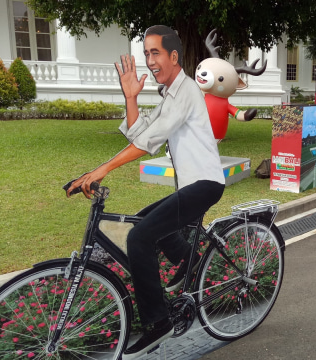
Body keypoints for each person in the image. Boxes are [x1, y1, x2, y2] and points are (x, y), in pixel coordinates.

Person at [66, 25, 225, 359]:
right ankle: (190, 260)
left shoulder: (186, 91)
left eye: (155, 53)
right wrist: (131, 98)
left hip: (205, 185)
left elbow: (147, 143)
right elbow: (140, 132)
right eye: (146, 54)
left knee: (139, 237)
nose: (149, 61)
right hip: (191, 186)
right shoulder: (170, 94)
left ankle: (158, 322)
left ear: (173, 56)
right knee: (143, 221)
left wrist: (100, 170)